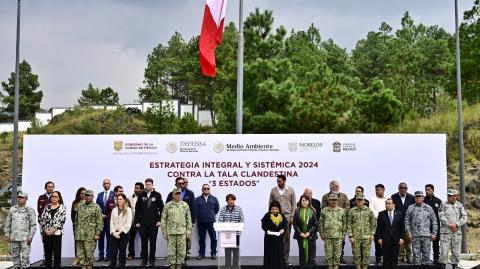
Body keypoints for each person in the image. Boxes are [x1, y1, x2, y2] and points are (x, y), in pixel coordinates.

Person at [134, 178, 164, 266]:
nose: (148, 186)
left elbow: (162, 208)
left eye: (149, 184)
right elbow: (137, 209)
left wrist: (159, 220)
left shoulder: (157, 195)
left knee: (153, 243)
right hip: (143, 224)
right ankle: (144, 260)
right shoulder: (141, 195)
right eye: (146, 184)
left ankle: (152, 260)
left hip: (153, 224)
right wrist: (137, 222)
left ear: (152, 185)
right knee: (144, 243)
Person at [166, 177, 196, 260]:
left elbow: (193, 208)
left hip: (186, 221)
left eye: (183, 183)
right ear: (176, 184)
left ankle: (186, 254)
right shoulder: (170, 194)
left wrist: (193, 221)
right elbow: (166, 208)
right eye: (179, 183)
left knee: (187, 239)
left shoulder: (190, 193)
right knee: (175, 240)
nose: (182, 185)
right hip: (173, 223)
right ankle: (175, 255)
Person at [4, 192, 37, 269]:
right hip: (14, 238)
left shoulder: (30, 209)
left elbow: (33, 225)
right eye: (19, 197)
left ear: (26, 199)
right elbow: (8, 223)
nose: (19, 199)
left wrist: (30, 237)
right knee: (15, 258)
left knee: (25, 258)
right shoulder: (12, 209)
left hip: (25, 239)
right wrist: (7, 234)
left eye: (22, 197)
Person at [161, 188, 192, 269]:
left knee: (181, 252)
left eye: (179, 193)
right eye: (176, 194)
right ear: (173, 195)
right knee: (171, 252)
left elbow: (188, 219)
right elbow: (163, 219)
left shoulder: (185, 205)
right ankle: (172, 266)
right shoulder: (168, 205)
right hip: (171, 233)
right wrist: (164, 231)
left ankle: (179, 266)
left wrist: (188, 232)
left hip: (182, 232)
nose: (178, 195)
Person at [405, 191, 438, 267]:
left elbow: (434, 221)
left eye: (420, 197)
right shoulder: (411, 208)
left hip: (426, 236)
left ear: (423, 198)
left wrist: (434, 233)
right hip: (415, 236)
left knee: (426, 258)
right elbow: (407, 221)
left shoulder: (428, 208)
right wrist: (408, 233)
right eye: (416, 197)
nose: (418, 198)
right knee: (416, 258)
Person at [269, 175, 296, 265]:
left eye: (280, 181)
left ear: (284, 181)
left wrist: (292, 217)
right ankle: (277, 258)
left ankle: (285, 258)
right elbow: (270, 204)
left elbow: (294, 205)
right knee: (275, 237)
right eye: (277, 181)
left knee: (286, 238)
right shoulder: (273, 190)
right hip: (276, 217)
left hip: (287, 217)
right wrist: (270, 216)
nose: (278, 183)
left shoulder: (291, 190)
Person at [321, 180, 349, 264]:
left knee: (341, 242)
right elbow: (323, 206)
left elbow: (347, 205)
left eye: (338, 186)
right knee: (329, 244)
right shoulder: (326, 196)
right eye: (335, 186)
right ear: (330, 187)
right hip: (329, 223)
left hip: (340, 222)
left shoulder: (343, 196)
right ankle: (329, 259)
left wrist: (340, 211)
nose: (336, 188)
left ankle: (340, 257)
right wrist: (332, 210)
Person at [439, 189, 467, 269]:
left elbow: (464, 217)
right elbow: (441, 216)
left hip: (456, 233)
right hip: (445, 233)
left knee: (456, 252)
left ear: (455, 196)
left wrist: (457, 225)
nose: (449, 197)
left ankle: (454, 266)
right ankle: (446, 267)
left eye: (451, 196)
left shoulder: (460, 206)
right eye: (448, 195)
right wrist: (450, 225)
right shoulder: (443, 204)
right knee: (444, 252)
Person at [75, 190, 103, 269]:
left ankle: (89, 267)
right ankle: (83, 267)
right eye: (86, 195)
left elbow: (100, 221)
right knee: (81, 254)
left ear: (92, 197)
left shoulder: (96, 207)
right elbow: (76, 220)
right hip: (80, 234)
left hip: (90, 235)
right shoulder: (80, 206)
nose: (87, 197)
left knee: (89, 254)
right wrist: (76, 231)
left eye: (89, 195)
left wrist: (97, 233)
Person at [39, 191, 67, 268]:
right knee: (47, 253)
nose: (54, 198)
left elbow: (62, 220)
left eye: (55, 196)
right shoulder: (47, 206)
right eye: (52, 196)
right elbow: (42, 219)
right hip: (46, 233)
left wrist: (53, 230)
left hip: (57, 233)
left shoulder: (62, 207)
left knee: (57, 254)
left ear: (59, 198)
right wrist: (45, 230)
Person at [347, 195, 375, 269]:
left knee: (366, 255)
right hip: (355, 237)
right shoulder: (351, 211)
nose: (359, 201)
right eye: (358, 200)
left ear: (364, 201)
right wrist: (350, 236)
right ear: (355, 201)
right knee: (356, 255)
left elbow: (373, 223)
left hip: (366, 237)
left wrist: (372, 234)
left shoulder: (369, 210)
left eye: (361, 200)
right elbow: (349, 224)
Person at [319, 193, 346, 269]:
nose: (333, 201)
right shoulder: (324, 211)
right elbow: (321, 223)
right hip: (328, 236)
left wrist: (344, 234)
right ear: (329, 200)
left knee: (337, 256)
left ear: (337, 200)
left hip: (338, 236)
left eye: (335, 200)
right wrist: (321, 233)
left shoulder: (341, 211)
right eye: (332, 200)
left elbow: (344, 223)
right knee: (329, 256)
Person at [376, 198, 404, 269]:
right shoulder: (381, 214)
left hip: (396, 240)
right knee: (386, 260)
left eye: (389, 204)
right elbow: (379, 227)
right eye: (386, 204)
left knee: (394, 260)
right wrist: (379, 238)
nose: (387, 205)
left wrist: (401, 238)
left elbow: (402, 227)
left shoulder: (399, 214)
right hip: (385, 240)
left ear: (393, 205)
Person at [218, 194, 244, 269]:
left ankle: (236, 266)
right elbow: (220, 220)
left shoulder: (239, 209)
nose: (232, 201)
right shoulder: (223, 209)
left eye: (233, 199)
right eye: (230, 199)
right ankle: (228, 266)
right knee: (228, 251)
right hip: (226, 234)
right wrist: (225, 227)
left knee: (236, 252)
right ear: (227, 201)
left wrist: (237, 227)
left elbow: (241, 220)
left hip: (236, 234)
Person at [391, 182, 415, 263]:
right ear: (398, 189)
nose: (403, 189)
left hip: (409, 222)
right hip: (398, 222)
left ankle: (409, 257)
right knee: (400, 240)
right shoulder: (394, 197)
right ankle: (401, 257)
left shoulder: (411, 197)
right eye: (401, 188)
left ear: (407, 189)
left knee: (408, 240)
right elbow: (392, 209)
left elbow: (413, 210)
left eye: (404, 188)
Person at [194, 183, 219, 260]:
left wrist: (210, 215)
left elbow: (217, 209)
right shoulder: (197, 199)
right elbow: (195, 210)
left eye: (207, 188)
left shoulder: (214, 199)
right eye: (204, 188)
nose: (206, 190)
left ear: (209, 189)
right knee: (202, 239)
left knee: (214, 238)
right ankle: (201, 254)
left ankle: (213, 253)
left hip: (211, 222)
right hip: (201, 222)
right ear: (202, 190)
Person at [293, 195, 318, 269]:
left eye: (306, 200)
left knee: (310, 253)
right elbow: (295, 224)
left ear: (309, 201)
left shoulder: (312, 210)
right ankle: (302, 266)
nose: (304, 202)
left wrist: (309, 232)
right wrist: (300, 233)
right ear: (300, 201)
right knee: (302, 253)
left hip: (310, 235)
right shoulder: (297, 211)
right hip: (300, 235)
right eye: (303, 200)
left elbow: (315, 224)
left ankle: (309, 266)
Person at [262, 200, 287, 269]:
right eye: (273, 209)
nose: (274, 210)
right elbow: (263, 225)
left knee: (278, 253)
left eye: (276, 209)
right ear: (270, 209)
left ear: (279, 209)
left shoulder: (282, 215)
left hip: (278, 238)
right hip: (269, 238)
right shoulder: (267, 215)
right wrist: (267, 231)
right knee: (269, 253)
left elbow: (285, 225)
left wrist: (283, 230)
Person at [109, 193, 132, 267]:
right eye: (117, 199)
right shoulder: (114, 210)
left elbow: (128, 224)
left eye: (120, 199)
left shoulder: (128, 210)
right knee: (114, 253)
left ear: (124, 200)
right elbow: (111, 222)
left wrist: (119, 232)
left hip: (124, 234)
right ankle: (113, 265)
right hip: (114, 234)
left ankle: (122, 266)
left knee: (122, 253)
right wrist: (114, 233)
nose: (119, 200)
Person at [95, 178, 114, 262]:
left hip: (110, 220)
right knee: (101, 238)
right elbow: (97, 207)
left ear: (110, 184)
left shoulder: (114, 194)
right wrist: (100, 216)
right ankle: (101, 255)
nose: (106, 185)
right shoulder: (99, 195)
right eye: (105, 183)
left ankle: (108, 255)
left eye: (107, 183)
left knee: (109, 239)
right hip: (100, 220)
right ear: (103, 185)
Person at [37, 181, 54, 266]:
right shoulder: (41, 197)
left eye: (52, 187)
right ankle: (45, 259)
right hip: (43, 223)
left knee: (53, 241)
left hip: (53, 223)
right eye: (49, 187)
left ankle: (53, 259)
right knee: (45, 241)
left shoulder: (56, 196)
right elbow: (39, 210)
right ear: (45, 188)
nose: (50, 188)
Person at [424, 183, 442, 263]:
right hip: (425, 226)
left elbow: (441, 214)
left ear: (433, 190)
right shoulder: (423, 200)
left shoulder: (438, 201)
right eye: (426, 190)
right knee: (425, 244)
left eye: (428, 189)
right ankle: (425, 259)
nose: (427, 191)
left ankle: (436, 258)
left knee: (435, 244)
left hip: (435, 226)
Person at [302, 188, 321, 264]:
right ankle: (304, 257)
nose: (309, 195)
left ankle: (312, 258)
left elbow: (319, 215)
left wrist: (317, 225)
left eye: (311, 193)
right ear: (304, 194)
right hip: (303, 227)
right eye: (308, 193)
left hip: (313, 226)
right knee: (304, 242)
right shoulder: (300, 202)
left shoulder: (316, 202)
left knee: (313, 242)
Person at [370, 183, 387, 265]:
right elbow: (371, 211)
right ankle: (378, 259)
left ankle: (385, 259)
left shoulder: (387, 199)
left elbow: (389, 210)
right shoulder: (372, 199)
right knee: (377, 243)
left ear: (383, 190)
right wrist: (381, 217)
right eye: (376, 190)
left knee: (386, 243)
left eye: (378, 190)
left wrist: (384, 218)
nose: (376, 191)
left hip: (386, 226)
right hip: (376, 225)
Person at [128, 182, 144, 260]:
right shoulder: (130, 197)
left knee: (143, 239)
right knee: (131, 239)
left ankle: (143, 254)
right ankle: (131, 254)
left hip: (142, 222)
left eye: (137, 188)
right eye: (135, 187)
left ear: (142, 189)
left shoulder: (145, 197)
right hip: (132, 222)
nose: (135, 189)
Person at [71, 187, 86, 266]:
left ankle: (84, 259)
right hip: (77, 227)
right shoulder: (75, 202)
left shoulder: (88, 202)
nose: (83, 195)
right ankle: (77, 258)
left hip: (86, 227)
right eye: (81, 193)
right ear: (79, 194)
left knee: (85, 243)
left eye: (84, 193)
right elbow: (72, 215)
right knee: (77, 243)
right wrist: (75, 224)